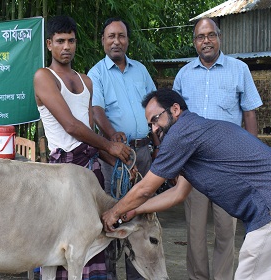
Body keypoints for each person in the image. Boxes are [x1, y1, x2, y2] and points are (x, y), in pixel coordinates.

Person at [102, 88, 271, 280]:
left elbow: (146, 188)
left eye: (156, 119)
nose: (155, 129)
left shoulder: (181, 133)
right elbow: (178, 193)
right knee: (263, 271)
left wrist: (115, 212)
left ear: (175, 109)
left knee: (252, 272)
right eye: (150, 125)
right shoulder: (193, 130)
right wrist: (134, 210)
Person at [33, 15, 132, 279]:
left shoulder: (86, 81)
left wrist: (120, 162)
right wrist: (111, 146)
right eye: (60, 41)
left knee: (91, 239)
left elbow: (88, 136)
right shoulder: (44, 77)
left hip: (90, 174)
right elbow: (72, 127)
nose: (66, 47)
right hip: (62, 177)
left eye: (71, 41)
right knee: (64, 246)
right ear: (49, 44)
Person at [172, 17, 263, 280]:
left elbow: (250, 116)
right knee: (195, 232)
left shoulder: (239, 70)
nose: (206, 41)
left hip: (230, 167)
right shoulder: (184, 76)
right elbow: (175, 123)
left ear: (219, 38)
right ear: (194, 42)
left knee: (226, 231)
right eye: (201, 37)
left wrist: (250, 163)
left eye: (211, 35)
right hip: (194, 166)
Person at [87, 17, 159, 280]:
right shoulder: (96, 74)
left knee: (140, 218)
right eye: (111, 36)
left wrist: (158, 145)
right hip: (115, 157)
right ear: (103, 41)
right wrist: (111, 138)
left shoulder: (140, 70)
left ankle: (138, 274)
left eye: (121, 36)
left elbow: (156, 107)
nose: (116, 41)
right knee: (112, 217)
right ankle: (109, 275)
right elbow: (96, 111)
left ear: (128, 39)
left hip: (143, 154)